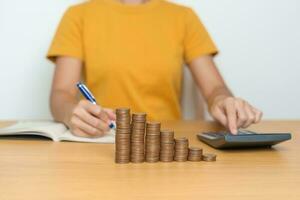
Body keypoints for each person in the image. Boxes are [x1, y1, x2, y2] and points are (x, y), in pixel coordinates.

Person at [47, 0, 263, 138]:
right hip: (103, 142)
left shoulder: (183, 17)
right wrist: (70, 113)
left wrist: (223, 101)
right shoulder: (78, 15)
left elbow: (215, 88)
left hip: (166, 142)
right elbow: (61, 94)